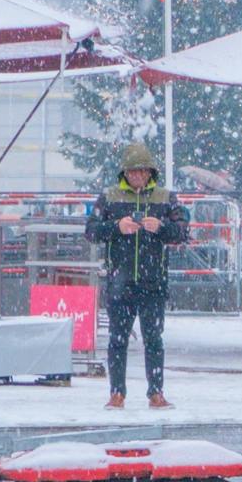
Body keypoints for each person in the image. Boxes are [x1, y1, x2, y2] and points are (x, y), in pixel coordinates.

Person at [86, 142, 188, 409]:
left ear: (150, 173)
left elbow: (182, 232)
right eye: (132, 172)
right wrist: (116, 227)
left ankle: (156, 392)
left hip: (153, 283)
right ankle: (117, 392)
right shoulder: (109, 197)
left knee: (153, 339)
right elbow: (91, 230)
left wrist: (162, 227)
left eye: (142, 171)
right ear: (124, 173)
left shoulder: (166, 198)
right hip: (120, 282)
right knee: (117, 339)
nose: (137, 176)